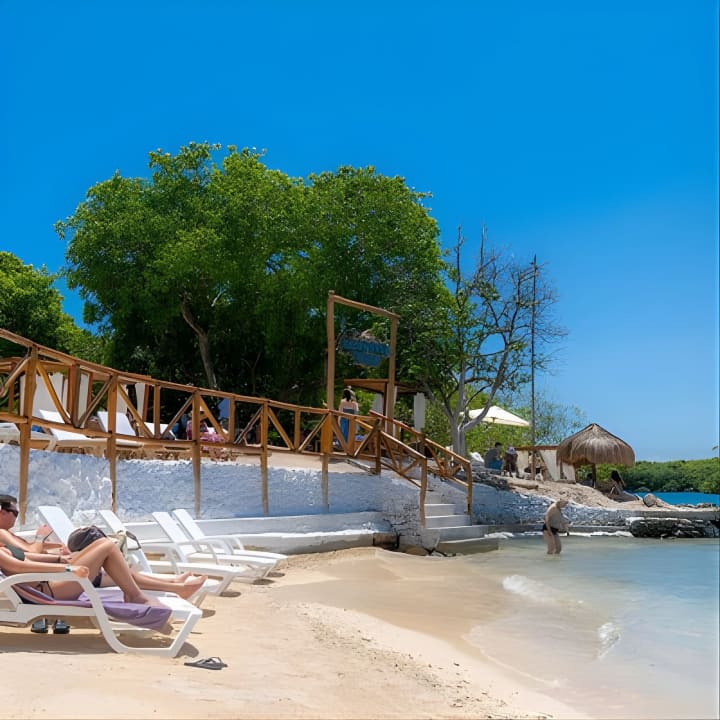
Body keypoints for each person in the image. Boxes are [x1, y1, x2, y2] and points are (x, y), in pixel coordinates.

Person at [0, 495, 207, 601]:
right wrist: (66, 566)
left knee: (105, 549)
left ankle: (171, 586)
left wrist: (61, 559)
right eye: (14, 513)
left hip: (52, 580)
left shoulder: (5, 540)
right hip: (50, 588)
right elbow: (19, 565)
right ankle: (138, 595)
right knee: (106, 546)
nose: (17, 517)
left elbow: (26, 558)